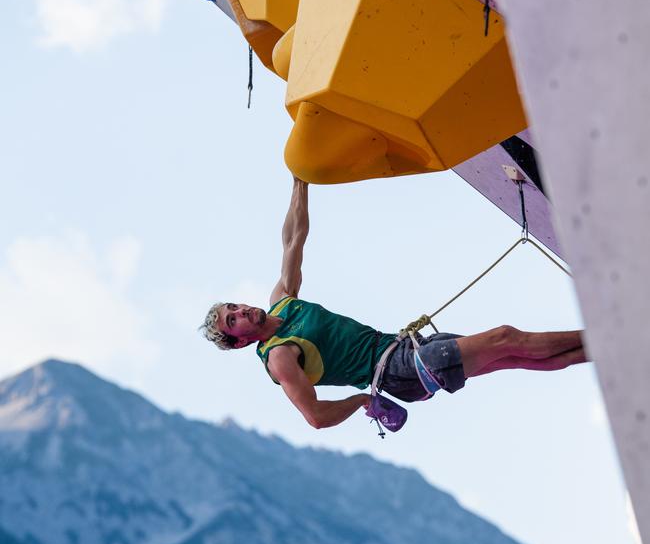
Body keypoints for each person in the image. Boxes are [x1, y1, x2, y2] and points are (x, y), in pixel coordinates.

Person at [200, 178, 587, 430]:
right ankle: (606, 333)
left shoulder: (282, 302)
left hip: (405, 350)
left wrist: (299, 179)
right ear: (240, 342)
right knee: (506, 338)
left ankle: (612, 349)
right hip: (398, 370)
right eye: (233, 321)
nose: (241, 311)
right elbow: (314, 416)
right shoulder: (279, 356)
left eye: (234, 306)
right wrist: (363, 399)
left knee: (516, 356)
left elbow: (293, 240)